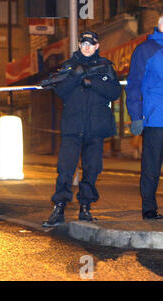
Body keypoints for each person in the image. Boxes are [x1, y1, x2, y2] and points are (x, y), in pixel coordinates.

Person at [42, 31, 121, 227]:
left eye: (90, 43)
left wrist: (91, 82)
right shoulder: (69, 66)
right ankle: (59, 207)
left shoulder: (105, 66)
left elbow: (114, 92)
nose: (86, 47)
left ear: (97, 46)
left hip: (95, 129)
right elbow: (60, 91)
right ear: (79, 45)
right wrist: (75, 76)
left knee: (92, 169)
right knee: (65, 169)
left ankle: (85, 207)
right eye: (83, 43)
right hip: (73, 127)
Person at [125, 15, 163, 220]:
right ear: (160, 26)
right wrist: (136, 115)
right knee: (151, 166)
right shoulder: (145, 50)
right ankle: (149, 209)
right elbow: (133, 84)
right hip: (155, 119)